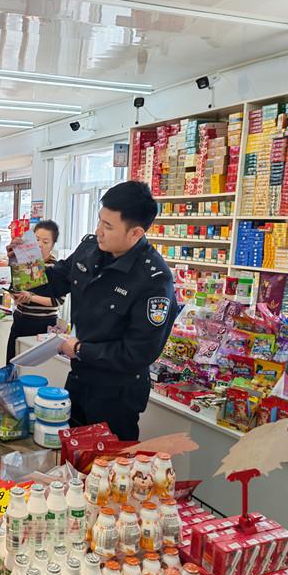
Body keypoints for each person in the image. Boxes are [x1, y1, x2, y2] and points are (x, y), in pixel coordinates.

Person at [40, 181, 176, 440]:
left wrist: (81, 349)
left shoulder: (153, 280)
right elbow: (54, 282)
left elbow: (138, 353)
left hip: (117, 396)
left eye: (108, 226)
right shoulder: (90, 249)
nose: (98, 231)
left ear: (135, 233)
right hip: (79, 380)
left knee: (109, 463)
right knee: (71, 454)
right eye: (100, 221)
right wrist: (21, 259)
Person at [6, 220, 65, 364]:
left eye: (45, 242)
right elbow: (15, 288)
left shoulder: (56, 268)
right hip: (20, 320)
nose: (40, 245)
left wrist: (31, 297)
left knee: (34, 366)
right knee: (12, 363)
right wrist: (16, 295)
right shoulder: (24, 262)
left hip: (42, 325)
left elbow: (57, 301)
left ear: (53, 245)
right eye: (37, 240)